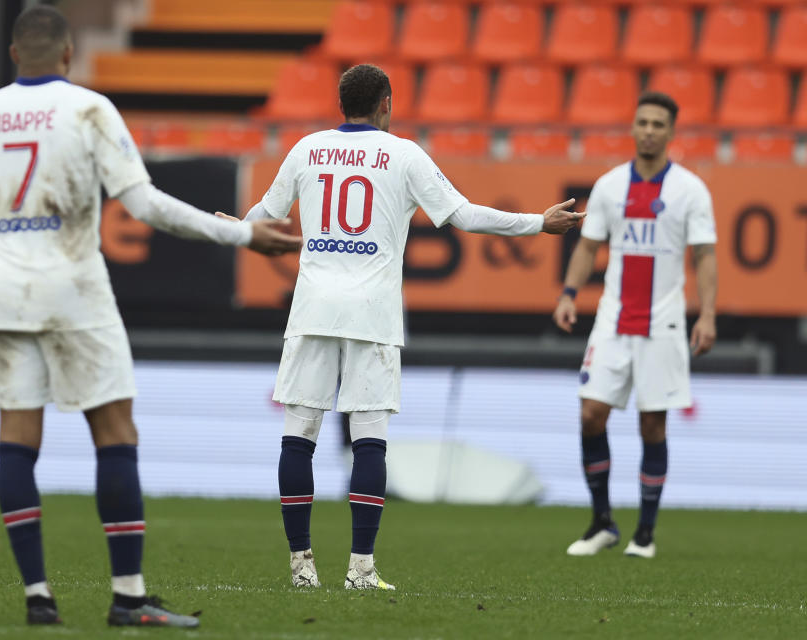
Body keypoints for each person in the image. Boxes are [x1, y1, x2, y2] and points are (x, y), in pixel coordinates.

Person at [0, 5, 300, 628]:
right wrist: (243, 235)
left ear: (11, 56)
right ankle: (129, 597)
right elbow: (146, 205)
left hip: (4, 295)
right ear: (67, 54)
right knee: (114, 434)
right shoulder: (88, 110)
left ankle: (37, 597)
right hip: (76, 291)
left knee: (16, 439)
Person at [233, 63, 583, 590]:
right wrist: (539, 222)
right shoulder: (403, 155)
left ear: (341, 103)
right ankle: (360, 569)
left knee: (297, 437)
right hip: (371, 313)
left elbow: (262, 216)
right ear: (387, 104)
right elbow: (463, 216)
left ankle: (301, 568)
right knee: (369, 440)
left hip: (311, 309)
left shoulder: (307, 148)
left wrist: (228, 231)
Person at [553, 91, 718, 559]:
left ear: (671, 131)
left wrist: (707, 314)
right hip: (612, 318)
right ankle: (602, 521)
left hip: (664, 322)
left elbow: (704, 255)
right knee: (590, 414)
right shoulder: (608, 186)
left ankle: (644, 534)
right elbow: (587, 247)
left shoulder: (690, 190)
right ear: (633, 127)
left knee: (652, 425)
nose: (649, 130)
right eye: (642, 122)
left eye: (658, 124)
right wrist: (568, 295)